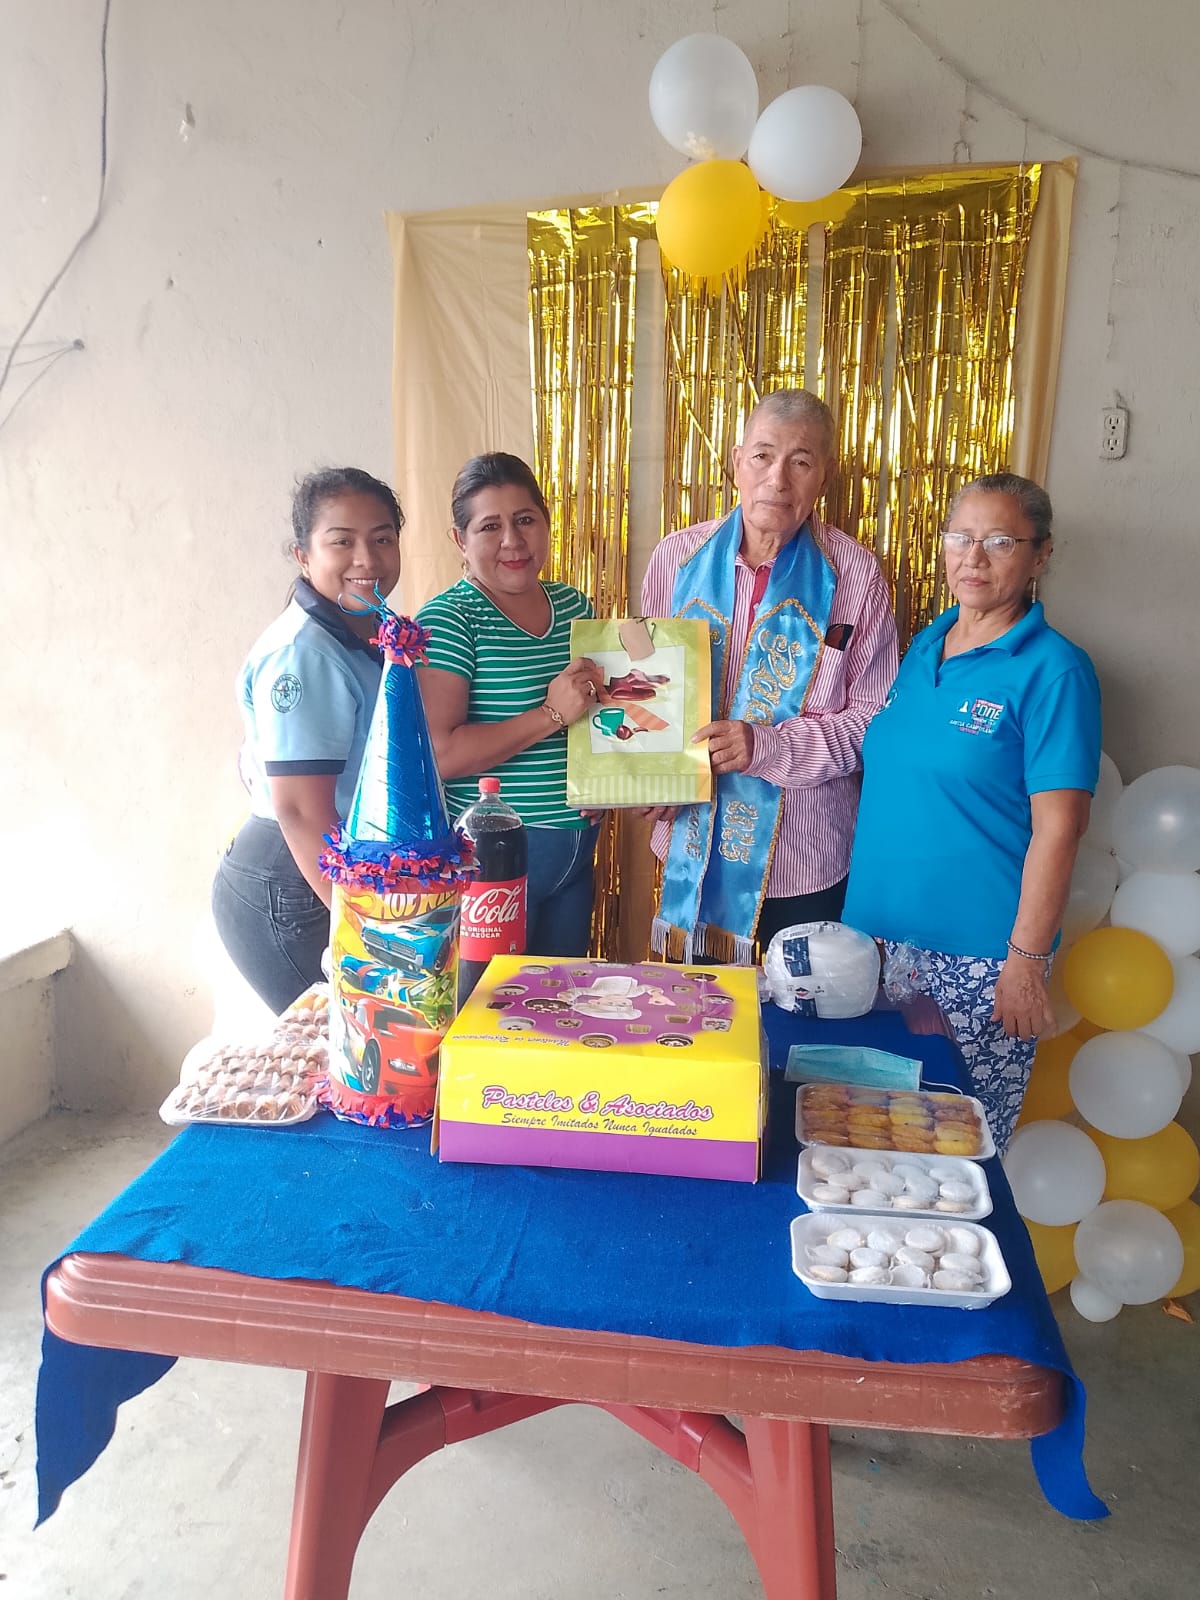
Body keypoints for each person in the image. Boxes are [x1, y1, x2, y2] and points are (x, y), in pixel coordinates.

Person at [841, 473, 1101, 1151]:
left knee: (954, 1156)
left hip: (976, 965)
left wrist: (1025, 963)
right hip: (872, 947)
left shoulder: (1055, 671)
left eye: (1000, 541)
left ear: (1040, 555)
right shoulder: (923, 647)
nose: (974, 557)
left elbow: (1061, 830)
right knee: (862, 1144)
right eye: (960, 537)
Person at [640, 389, 899, 962]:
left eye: (800, 461)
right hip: (691, 844)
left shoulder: (856, 576)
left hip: (805, 862)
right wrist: (647, 774)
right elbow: (653, 691)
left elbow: (873, 723)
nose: (776, 479)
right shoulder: (677, 559)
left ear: (824, 477)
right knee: (700, 1009)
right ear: (737, 462)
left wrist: (767, 746)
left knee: (799, 1015)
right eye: (762, 456)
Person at [211, 467, 403, 1012]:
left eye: (382, 539)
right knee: (343, 1041)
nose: (367, 559)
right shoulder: (305, 653)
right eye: (342, 541)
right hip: (295, 878)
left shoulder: (367, 628)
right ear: (303, 555)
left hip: (337, 862)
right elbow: (299, 810)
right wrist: (368, 931)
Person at [416, 453, 603, 956]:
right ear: (460, 540)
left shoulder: (575, 606)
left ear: (546, 523)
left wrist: (609, 778)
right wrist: (549, 715)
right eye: (489, 527)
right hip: (494, 859)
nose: (512, 541)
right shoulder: (450, 619)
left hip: (577, 852)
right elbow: (440, 753)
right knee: (492, 1001)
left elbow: (598, 716)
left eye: (524, 520)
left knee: (561, 997)